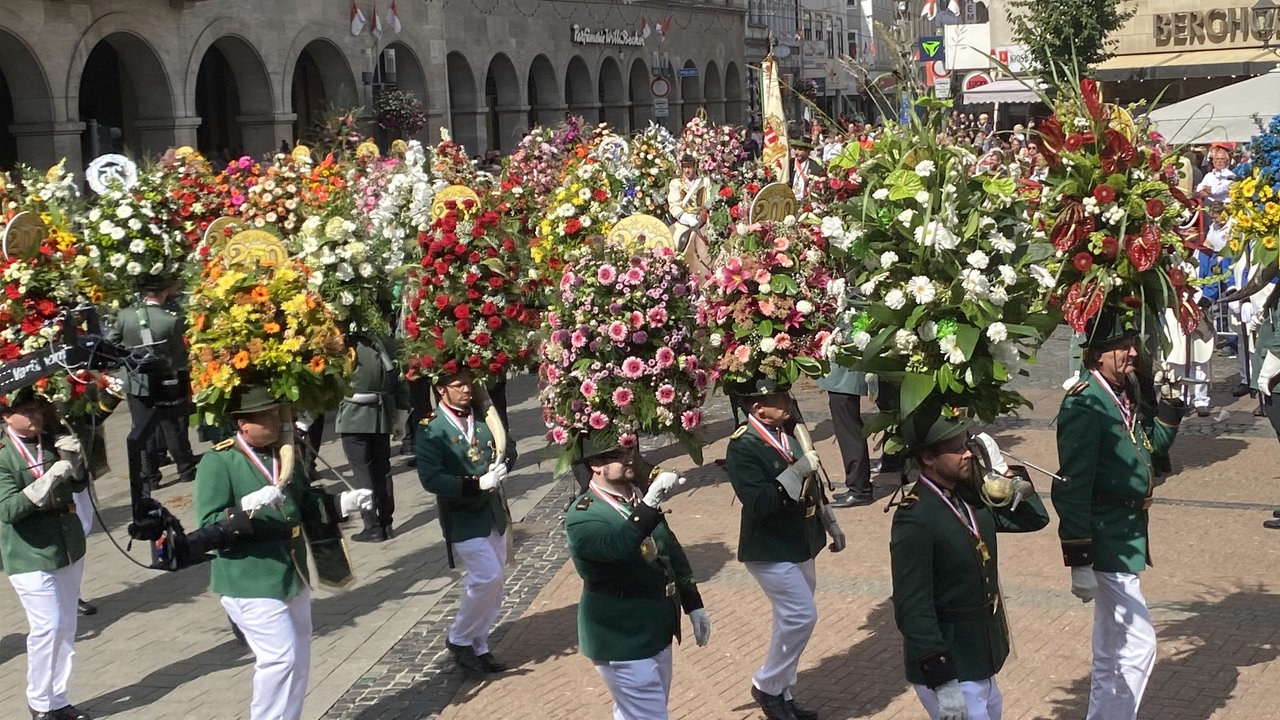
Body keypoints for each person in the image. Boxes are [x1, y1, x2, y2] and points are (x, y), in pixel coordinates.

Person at [193, 385, 372, 720]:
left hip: (291, 571)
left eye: (277, 413)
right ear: (243, 423)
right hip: (250, 577)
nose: (277, 422)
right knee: (280, 658)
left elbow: (305, 503)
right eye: (267, 416)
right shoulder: (220, 461)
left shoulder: (283, 457)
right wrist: (245, 508)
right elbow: (207, 523)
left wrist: (340, 504)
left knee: (299, 659)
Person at [1053, 311, 1185, 720]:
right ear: (1097, 354)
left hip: (1127, 533)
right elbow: (1072, 484)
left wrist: (1170, 408)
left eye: (1132, 343)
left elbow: (1147, 450)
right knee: (1139, 643)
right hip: (1105, 537)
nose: (1133, 353)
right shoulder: (1085, 403)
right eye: (1122, 346)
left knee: (1111, 646)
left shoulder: (1121, 390)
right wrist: (1078, 557)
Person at [890, 416, 1049, 720]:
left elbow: (1034, 520)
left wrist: (1002, 472)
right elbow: (912, 607)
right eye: (956, 447)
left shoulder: (967, 496)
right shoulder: (916, 518)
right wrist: (941, 679)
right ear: (927, 457)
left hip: (979, 656)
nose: (967, 452)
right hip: (952, 663)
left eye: (966, 444)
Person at [565, 434, 711, 720]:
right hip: (621, 634)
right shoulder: (583, 515)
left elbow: (670, 550)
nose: (629, 458)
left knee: (636, 713)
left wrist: (693, 602)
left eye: (630, 450)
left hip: (656, 627)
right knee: (650, 716)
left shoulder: (635, 498)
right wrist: (651, 502)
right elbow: (618, 547)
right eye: (618, 454)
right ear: (595, 464)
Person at [726, 376, 845, 720]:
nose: (788, 401)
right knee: (801, 616)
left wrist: (830, 522)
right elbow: (761, 501)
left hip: (801, 540)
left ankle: (782, 693)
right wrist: (796, 472)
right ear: (758, 408)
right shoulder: (744, 446)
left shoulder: (788, 433)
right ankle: (766, 685)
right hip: (769, 546)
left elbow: (813, 485)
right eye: (779, 398)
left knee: (789, 620)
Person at [0, 389, 92, 720]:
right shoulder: (3, 454)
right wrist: (45, 481)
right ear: (7, 415)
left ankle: (59, 698)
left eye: (37, 409)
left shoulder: (50, 440)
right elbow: (8, 509)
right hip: (28, 549)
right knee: (48, 625)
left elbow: (79, 486)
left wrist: (78, 463)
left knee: (66, 625)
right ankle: (39, 702)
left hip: (65, 542)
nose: (36, 416)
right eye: (26, 411)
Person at [418, 368, 511, 674]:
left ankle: (479, 644)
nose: (466, 390)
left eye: (468, 383)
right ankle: (459, 639)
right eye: (458, 385)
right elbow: (431, 478)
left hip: (492, 512)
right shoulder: (431, 428)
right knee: (487, 577)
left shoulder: (483, 416)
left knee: (496, 585)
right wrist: (474, 484)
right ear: (441, 390)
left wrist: (504, 466)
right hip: (463, 515)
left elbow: (507, 446)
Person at [108, 275, 198, 511]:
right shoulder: (171, 320)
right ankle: (186, 470)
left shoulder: (125, 316)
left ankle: (150, 478)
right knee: (172, 425)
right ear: (163, 292)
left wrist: (126, 361)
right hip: (164, 379)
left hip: (135, 381)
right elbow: (179, 357)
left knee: (142, 428)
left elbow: (110, 344)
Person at [335, 330, 406, 542]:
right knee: (382, 469)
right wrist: (400, 416)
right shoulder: (383, 340)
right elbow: (401, 380)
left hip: (352, 415)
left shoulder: (342, 340)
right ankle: (386, 522)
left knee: (362, 471)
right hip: (381, 413)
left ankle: (372, 526)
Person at [818, 364, 874, 507]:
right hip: (844, 376)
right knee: (849, 427)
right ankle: (859, 487)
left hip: (845, 377)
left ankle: (859, 489)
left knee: (849, 431)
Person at [667, 154, 712, 274]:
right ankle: (678, 268)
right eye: (685, 167)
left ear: (695, 167)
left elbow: (710, 199)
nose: (687, 170)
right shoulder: (676, 183)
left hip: (703, 217)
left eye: (690, 167)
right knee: (677, 241)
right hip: (685, 219)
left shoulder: (704, 182)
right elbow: (674, 204)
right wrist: (686, 218)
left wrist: (706, 213)